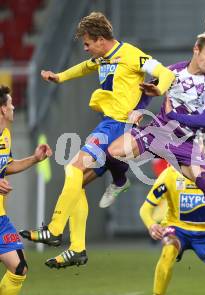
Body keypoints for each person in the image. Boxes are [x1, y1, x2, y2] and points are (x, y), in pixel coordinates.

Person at [19, 12, 175, 268]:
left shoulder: (131, 54)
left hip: (118, 125)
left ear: (101, 40)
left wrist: (158, 88)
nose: (85, 48)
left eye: (87, 43)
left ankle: (55, 228)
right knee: (77, 181)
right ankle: (78, 249)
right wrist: (60, 77)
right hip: (108, 124)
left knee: (72, 168)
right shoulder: (101, 58)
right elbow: (83, 67)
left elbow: (165, 72)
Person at [107, 32, 205, 250]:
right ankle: (120, 180)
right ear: (196, 50)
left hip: (187, 143)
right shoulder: (172, 72)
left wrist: (174, 116)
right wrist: (138, 110)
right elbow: (148, 90)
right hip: (158, 132)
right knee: (114, 150)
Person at [140, 162, 205, 295]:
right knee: (168, 251)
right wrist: (151, 225)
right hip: (176, 229)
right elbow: (145, 209)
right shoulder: (169, 174)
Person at [0, 85, 53, 294]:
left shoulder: (5, 136)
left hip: (0, 218)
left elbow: (7, 165)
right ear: (3, 109)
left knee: (19, 268)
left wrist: (34, 159)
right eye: (11, 103)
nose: (14, 107)